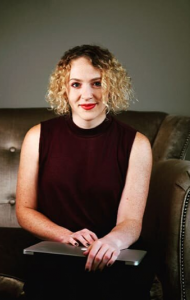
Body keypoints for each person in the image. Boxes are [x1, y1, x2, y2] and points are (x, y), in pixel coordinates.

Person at [16, 44, 155, 300]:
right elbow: (25, 210)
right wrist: (64, 235)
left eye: (97, 83)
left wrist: (112, 243)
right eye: (76, 84)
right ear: (64, 89)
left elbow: (131, 221)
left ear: (111, 86)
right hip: (56, 248)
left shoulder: (137, 143)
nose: (87, 94)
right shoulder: (37, 136)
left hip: (112, 251)